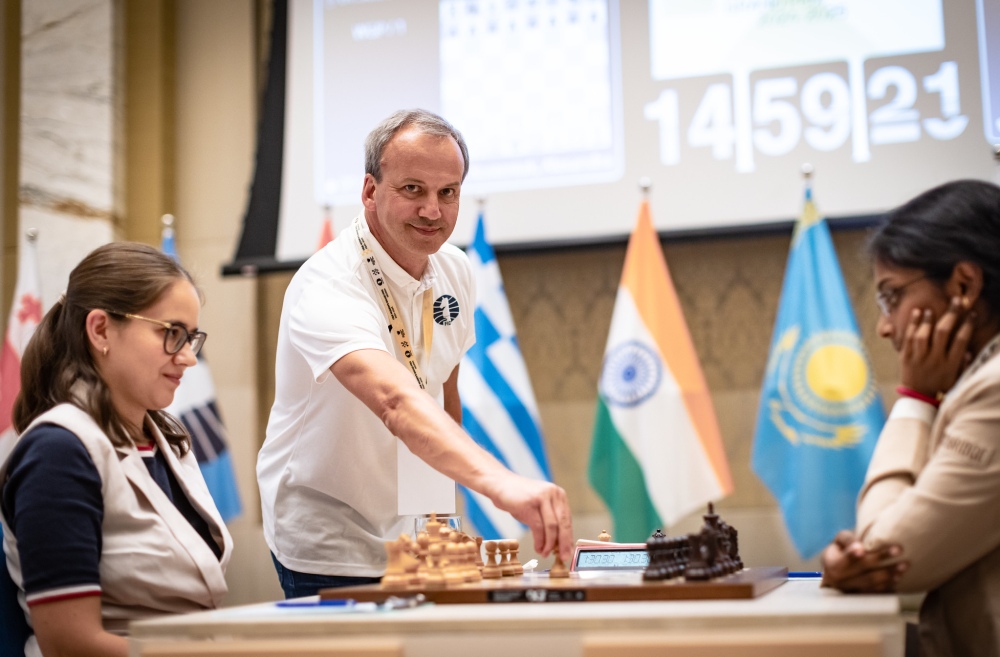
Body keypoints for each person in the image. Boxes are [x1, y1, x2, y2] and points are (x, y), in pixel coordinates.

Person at [257, 109, 573, 597]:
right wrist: (502, 483)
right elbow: (395, 401)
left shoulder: (456, 270)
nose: (433, 210)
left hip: (415, 529)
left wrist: (440, 517)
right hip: (328, 536)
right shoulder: (327, 283)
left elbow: (442, 393)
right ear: (369, 191)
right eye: (413, 190)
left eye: (448, 193)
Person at [0, 242, 232, 657]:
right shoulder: (58, 451)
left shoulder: (167, 437)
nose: (187, 358)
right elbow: (71, 643)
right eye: (171, 333)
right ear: (101, 330)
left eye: (190, 338)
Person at [820, 179, 1000, 656]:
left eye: (892, 296)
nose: (884, 326)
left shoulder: (995, 391)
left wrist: (916, 398)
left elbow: (883, 552)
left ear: (964, 284)